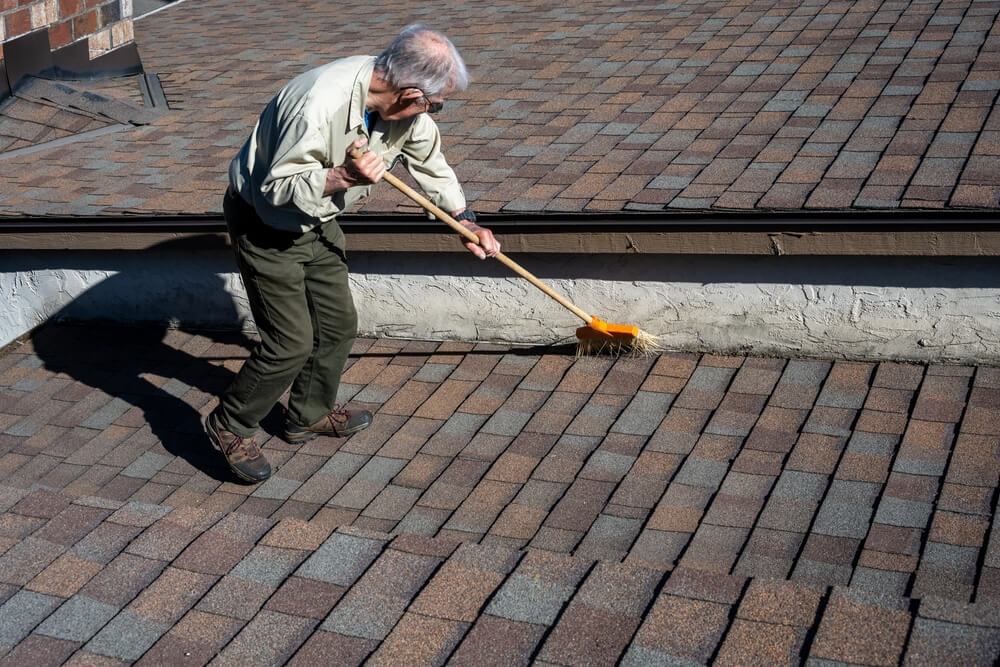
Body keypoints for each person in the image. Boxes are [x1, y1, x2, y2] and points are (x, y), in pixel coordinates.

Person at [207, 25, 500, 482]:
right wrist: (342, 178)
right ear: (410, 93)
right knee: (289, 344)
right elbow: (277, 188)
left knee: (337, 324)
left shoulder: (402, 109)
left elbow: (430, 162)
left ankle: (307, 414)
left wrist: (463, 221)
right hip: (265, 222)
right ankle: (231, 423)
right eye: (435, 103)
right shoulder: (317, 103)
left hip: (318, 221)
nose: (434, 112)